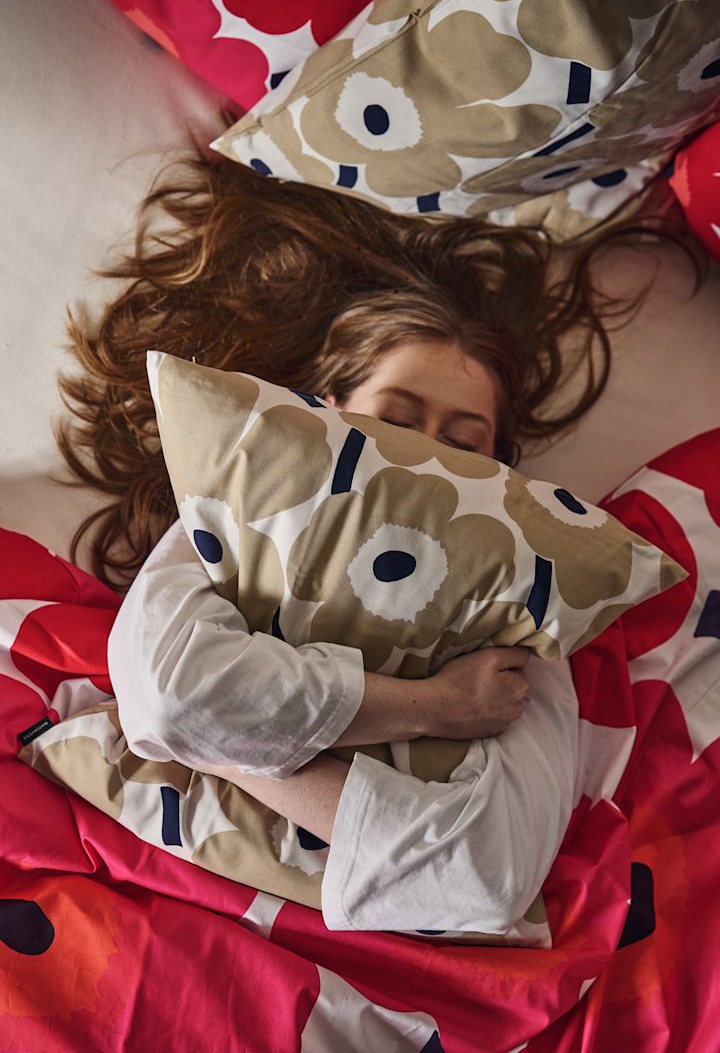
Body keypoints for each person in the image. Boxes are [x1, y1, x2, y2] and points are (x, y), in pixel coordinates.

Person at [58, 156, 702, 934]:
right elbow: (165, 695)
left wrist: (214, 744)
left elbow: (485, 879)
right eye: (395, 423)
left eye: (464, 445)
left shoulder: (524, 601)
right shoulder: (244, 511)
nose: (425, 461)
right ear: (325, 413)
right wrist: (432, 706)